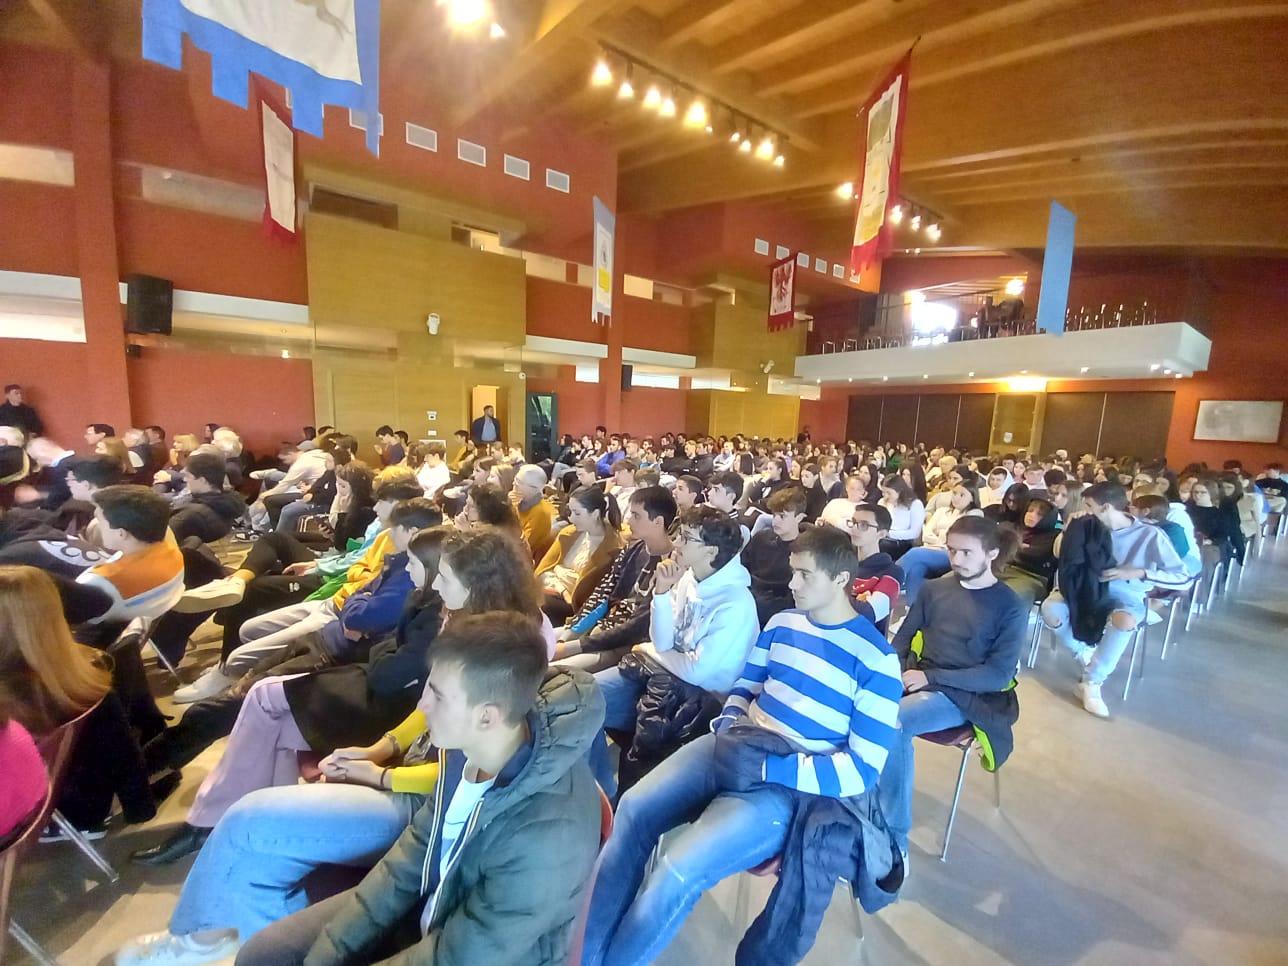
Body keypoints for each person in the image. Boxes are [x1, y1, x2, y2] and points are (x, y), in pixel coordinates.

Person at [582, 526, 903, 966]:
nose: (792, 584)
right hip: (740, 744)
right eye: (792, 571)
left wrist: (770, 770)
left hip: (788, 782)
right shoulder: (784, 623)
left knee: (678, 869)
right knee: (633, 810)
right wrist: (730, 724)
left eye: (804, 575)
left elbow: (862, 771)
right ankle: (587, 954)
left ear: (841, 580)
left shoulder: (876, 659)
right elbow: (746, 686)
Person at [225, 611, 602, 966]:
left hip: (474, 952)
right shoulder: (471, 747)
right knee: (264, 955)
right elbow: (411, 856)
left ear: (486, 716)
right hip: (434, 906)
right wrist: (327, 953)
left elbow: (457, 957)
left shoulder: (547, 836)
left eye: (437, 695)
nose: (422, 705)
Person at [879, 516, 1026, 857]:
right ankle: (858, 803)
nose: (956, 560)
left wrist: (932, 679)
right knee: (855, 705)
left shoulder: (1009, 606)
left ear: (992, 553)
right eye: (951, 550)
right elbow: (901, 640)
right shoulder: (935, 589)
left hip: (968, 694)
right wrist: (892, 671)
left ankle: (893, 839)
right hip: (921, 677)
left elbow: (997, 676)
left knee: (893, 723)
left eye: (966, 552)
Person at [589, 506, 759, 799]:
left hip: (700, 700)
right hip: (663, 677)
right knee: (582, 701)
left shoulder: (735, 603)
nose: (676, 543)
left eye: (686, 538)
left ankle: (613, 801)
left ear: (711, 551)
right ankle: (601, 793)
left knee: (588, 706)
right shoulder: (689, 578)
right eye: (679, 534)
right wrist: (662, 593)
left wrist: (649, 650)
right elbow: (663, 642)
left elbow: (696, 672)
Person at [0, 565, 169, 836]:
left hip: (45, 812)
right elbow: (123, 752)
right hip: (87, 801)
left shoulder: (14, 693)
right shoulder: (82, 667)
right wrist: (140, 806)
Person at [1042, 482, 1188, 718]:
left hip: (1126, 592)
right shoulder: (1086, 526)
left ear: (1106, 507)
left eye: (1089, 506)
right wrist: (1068, 531)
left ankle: (1092, 682)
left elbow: (1182, 577)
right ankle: (1084, 653)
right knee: (1051, 609)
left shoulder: (1149, 534)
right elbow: (1059, 553)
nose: (1085, 511)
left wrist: (1139, 572)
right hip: (1083, 587)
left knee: (1124, 621)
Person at [553, 486, 676, 673]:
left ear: (658, 521)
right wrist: (569, 634)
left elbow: (638, 626)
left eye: (636, 516)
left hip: (623, 644)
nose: (629, 520)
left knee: (550, 669)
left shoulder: (672, 566)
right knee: (535, 643)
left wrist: (571, 646)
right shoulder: (633, 549)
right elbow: (603, 593)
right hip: (601, 627)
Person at [76, 485, 185, 627]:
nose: (97, 525)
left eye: (99, 520)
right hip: (149, 625)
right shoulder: (173, 552)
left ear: (121, 533)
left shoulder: (100, 582)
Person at [535, 485, 624, 626]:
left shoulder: (612, 549)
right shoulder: (568, 534)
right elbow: (544, 571)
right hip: (554, 593)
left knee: (535, 604)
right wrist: (563, 589)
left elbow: (584, 592)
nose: (570, 518)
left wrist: (560, 573)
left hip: (576, 607)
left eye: (577, 513)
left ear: (595, 514)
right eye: (570, 512)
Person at [897, 481, 984, 603]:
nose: (956, 497)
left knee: (915, 553)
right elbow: (926, 534)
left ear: (972, 498)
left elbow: (957, 539)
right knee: (916, 568)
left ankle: (888, 580)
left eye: (962, 495)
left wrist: (940, 536)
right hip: (932, 550)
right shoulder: (941, 511)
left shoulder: (975, 514)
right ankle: (912, 608)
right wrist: (941, 538)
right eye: (954, 493)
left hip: (953, 554)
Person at [741, 484, 809, 626]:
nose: (775, 521)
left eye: (782, 516)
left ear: (799, 518)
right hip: (747, 595)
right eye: (774, 515)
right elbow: (742, 568)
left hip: (775, 609)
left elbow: (792, 596)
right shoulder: (761, 538)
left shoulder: (805, 552)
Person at [511, 463, 556, 561]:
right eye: (515, 479)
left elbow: (523, 546)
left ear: (534, 488)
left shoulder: (540, 513)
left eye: (518, 482)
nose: (513, 484)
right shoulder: (516, 500)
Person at [877, 474, 925, 559]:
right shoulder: (882, 502)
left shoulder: (915, 504)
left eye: (889, 493)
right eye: (883, 492)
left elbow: (915, 533)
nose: (885, 496)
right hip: (881, 537)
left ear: (900, 491)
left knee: (883, 546)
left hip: (902, 542)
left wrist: (889, 534)